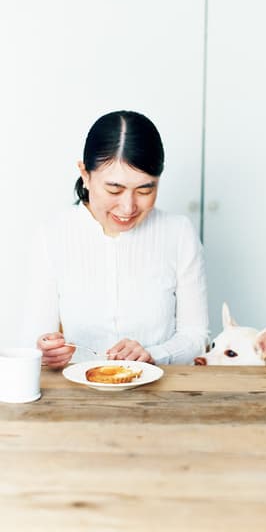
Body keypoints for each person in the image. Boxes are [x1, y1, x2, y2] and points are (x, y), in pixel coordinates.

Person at [22, 110, 209, 368]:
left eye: (145, 189)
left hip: (160, 397)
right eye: (114, 189)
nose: (128, 207)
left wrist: (154, 354)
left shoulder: (178, 233)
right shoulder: (52, 234)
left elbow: (197, 337)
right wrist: (45, 351)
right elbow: (35, 337)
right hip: (79, 394)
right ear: (85, 174)